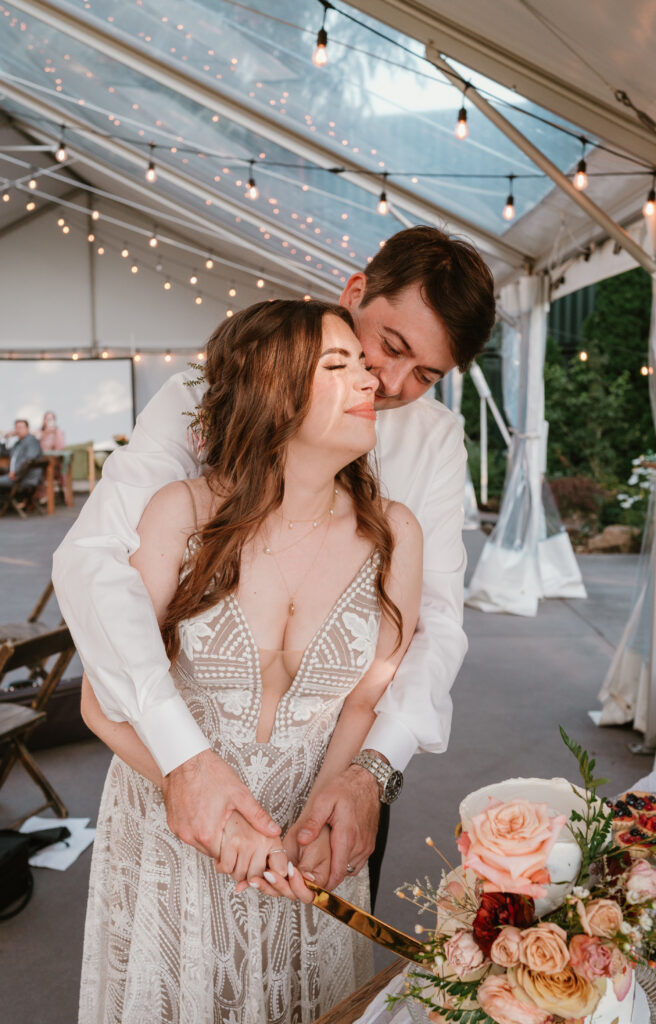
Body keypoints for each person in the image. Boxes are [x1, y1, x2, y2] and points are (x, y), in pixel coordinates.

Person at [53, 226, 496, 903]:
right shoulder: (201, 398)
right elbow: (95, 561)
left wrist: (372, 773)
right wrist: (182, 759)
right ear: (356, 292)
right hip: (182, 765)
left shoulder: (431, 441)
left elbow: (435, 618)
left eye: (427, 375)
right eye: (393, 346)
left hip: (339, 775)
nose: (391, 381)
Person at [78, 299, 422, 1021]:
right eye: (339, 366)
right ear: (272, 387)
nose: (372, 383)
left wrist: (315, 827)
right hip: (172, 845)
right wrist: (199, 801)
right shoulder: (181, 513)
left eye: (364, 365)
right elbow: (97, 702)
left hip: (305, 857)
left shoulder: (394, 534)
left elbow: (365, 700)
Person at [0, 419, 42, 494]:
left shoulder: (31, 441)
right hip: (15, 476)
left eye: (20, 428)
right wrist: (5, 438)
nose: (18, 430)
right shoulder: (18, 443)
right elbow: (4, 452)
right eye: (16, 428)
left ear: (28, 429)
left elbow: (29, 459)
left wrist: (15, 472)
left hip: (24, 478)